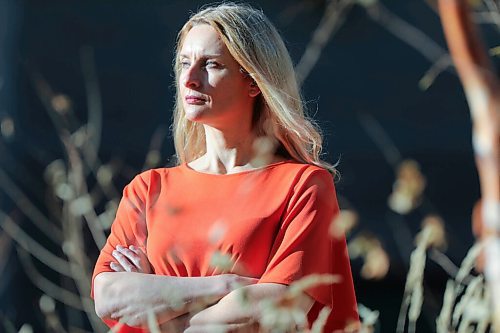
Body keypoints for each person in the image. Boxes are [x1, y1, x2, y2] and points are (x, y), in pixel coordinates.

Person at [91, 3, 359, 332]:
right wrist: (226, 287)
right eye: (185, 63)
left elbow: (276, 308)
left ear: (254, 81)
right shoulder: (148, 189)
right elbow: (109, 297)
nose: (189, 79)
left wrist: (159, 303)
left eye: (211, 65)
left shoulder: (302, 185)